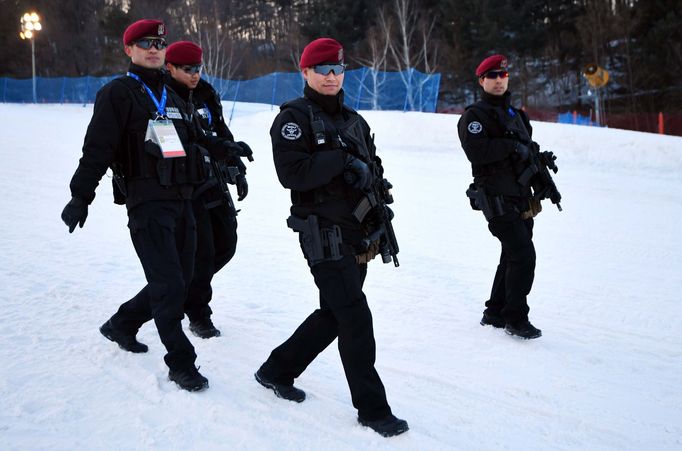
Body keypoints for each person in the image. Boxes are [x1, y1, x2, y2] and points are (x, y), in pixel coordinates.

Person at [254, 38, 408, 437]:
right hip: (322, 234)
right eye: (321, 70)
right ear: (305, 73)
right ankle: (373, 410)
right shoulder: (294, 120)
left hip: (357, 232)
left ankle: (277, 369)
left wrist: (378, 200)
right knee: (355, 317)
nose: (331, 77)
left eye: (337, 70)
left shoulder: (355, 120)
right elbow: (293, 173)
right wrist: (342, 160)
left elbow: (371, 168)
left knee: (334, 315)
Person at [61, 19, 213, 391]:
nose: (153, 49)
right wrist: (81, 195)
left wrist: (228, 151)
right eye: (143, 43)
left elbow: (197, 140)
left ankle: (122, 324)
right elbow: (96, 149)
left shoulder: (173, 97)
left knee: (179, 280)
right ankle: (181, 362)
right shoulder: (118, 94)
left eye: (159, 43)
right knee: (169, 285)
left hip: (183, 202)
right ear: (128, 50)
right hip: (147, 204)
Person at [164, 41, 252, 339]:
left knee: (226, 245)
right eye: (187, 69)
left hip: (214, 180)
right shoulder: (160, 96)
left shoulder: (206, 93)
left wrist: (236, 168)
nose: (194, 75)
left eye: (198, 68)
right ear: (170, 68)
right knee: (202, 253)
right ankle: (198, 312)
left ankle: (178, 287)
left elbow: (221, 133)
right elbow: (169, 147)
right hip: (187, 186)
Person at [457, 54, 543, 339]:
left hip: (520, 196)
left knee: (511, 254)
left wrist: (536, 159)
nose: (498, 80)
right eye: (491, 76)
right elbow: (478, 152)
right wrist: (510, 146)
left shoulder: (518, 116)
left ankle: (494, 311)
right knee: (523, 254)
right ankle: (515, 318)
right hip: (495, 198)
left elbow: (525, 148)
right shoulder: (474, 117)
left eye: (502, 76)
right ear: (481, 81)